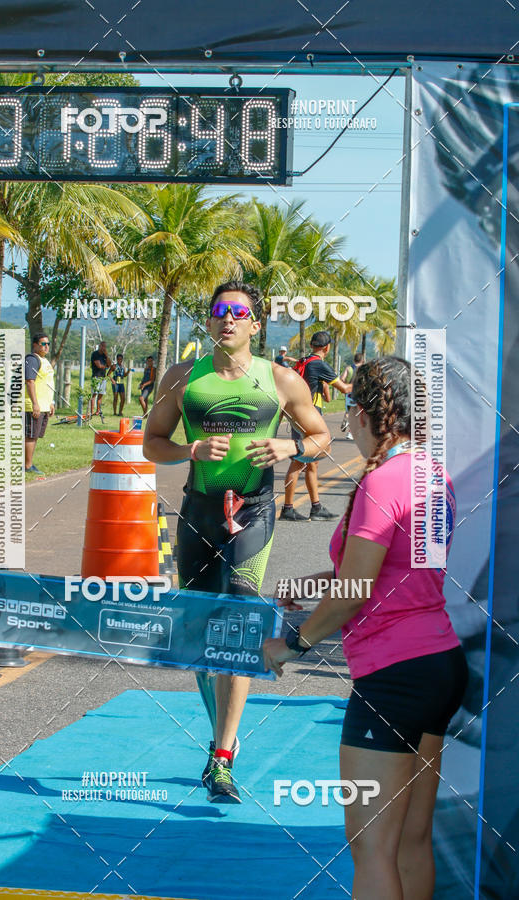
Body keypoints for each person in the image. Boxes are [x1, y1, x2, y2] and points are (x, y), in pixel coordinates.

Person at [263, 357, 468, 900]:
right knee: (411, 841)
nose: (347, 419)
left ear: (376, 413)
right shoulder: (431, 472)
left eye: (353, 407)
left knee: (372, 849)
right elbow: (393, 573)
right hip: (438, 663)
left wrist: (292, 645)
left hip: (395, 676)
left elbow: (354, 593)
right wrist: (309, 587)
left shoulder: (382, 480)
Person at [143, 280, 331, 804]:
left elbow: (320, 438)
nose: (228, 319)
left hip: (253, 513)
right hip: (199, 513)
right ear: (208, 321)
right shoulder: (182, 378)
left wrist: (287, 446)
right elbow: (150, 443)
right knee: (201, 633)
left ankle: (222, 756)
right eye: (220, 311)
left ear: (255, 324)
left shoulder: (279, 379)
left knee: (240, 623)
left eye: (239, 312)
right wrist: (189, 449)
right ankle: (220, 736)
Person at [280, 331, 352, 521]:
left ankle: (316, 506)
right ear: (327, 348)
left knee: (312, 462)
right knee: (299, 461)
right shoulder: (318, 364)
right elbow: (344, 388)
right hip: (309, 417)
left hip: (298, 415)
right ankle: (287, 508)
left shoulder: (302, 362)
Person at [25, 332, 55, 475]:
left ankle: (29, 463)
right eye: (43, 344)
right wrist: (34, 403)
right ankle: (27, 465)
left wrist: (50, 403)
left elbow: (47, 383)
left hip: (44, 404)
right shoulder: (32, 359)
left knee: (35, 435)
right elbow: (30, 382)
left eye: (48, 344)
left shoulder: (45, 361)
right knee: (30, 435)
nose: (46, 346)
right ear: (35, 345)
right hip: (34, 405)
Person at [341, 352, 364, 440]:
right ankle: (350, 433)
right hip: (358, 393)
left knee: (348, 410)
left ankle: (346, 419)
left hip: (349, 392)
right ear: (362, 360)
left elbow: (342, 379)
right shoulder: (363, 369)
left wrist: (345, 386)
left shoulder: (349, 368)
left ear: (354, 359)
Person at [90, 341, 111, 417]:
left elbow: (109, 364)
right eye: (102, 346)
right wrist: (105, 366)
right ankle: (91, 411)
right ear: (100, 346)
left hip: (103, 377)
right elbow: (99, 365)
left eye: (105, 346)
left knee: (101, 395)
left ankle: (98, 411)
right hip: (96, 376)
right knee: (94, 394)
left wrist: (107, 356)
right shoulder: (95, 354)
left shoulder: (105, 356)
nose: (104, 348)